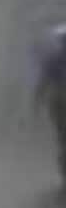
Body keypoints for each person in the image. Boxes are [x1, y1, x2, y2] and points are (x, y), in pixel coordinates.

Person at [35, 21, 66, 186]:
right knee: (62, 137)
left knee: (62, 138)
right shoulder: (54, 61)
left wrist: (37, 100)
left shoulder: (53, 60)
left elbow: (43, 81)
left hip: (58, 102)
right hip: (60, 102)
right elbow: (44, 81)